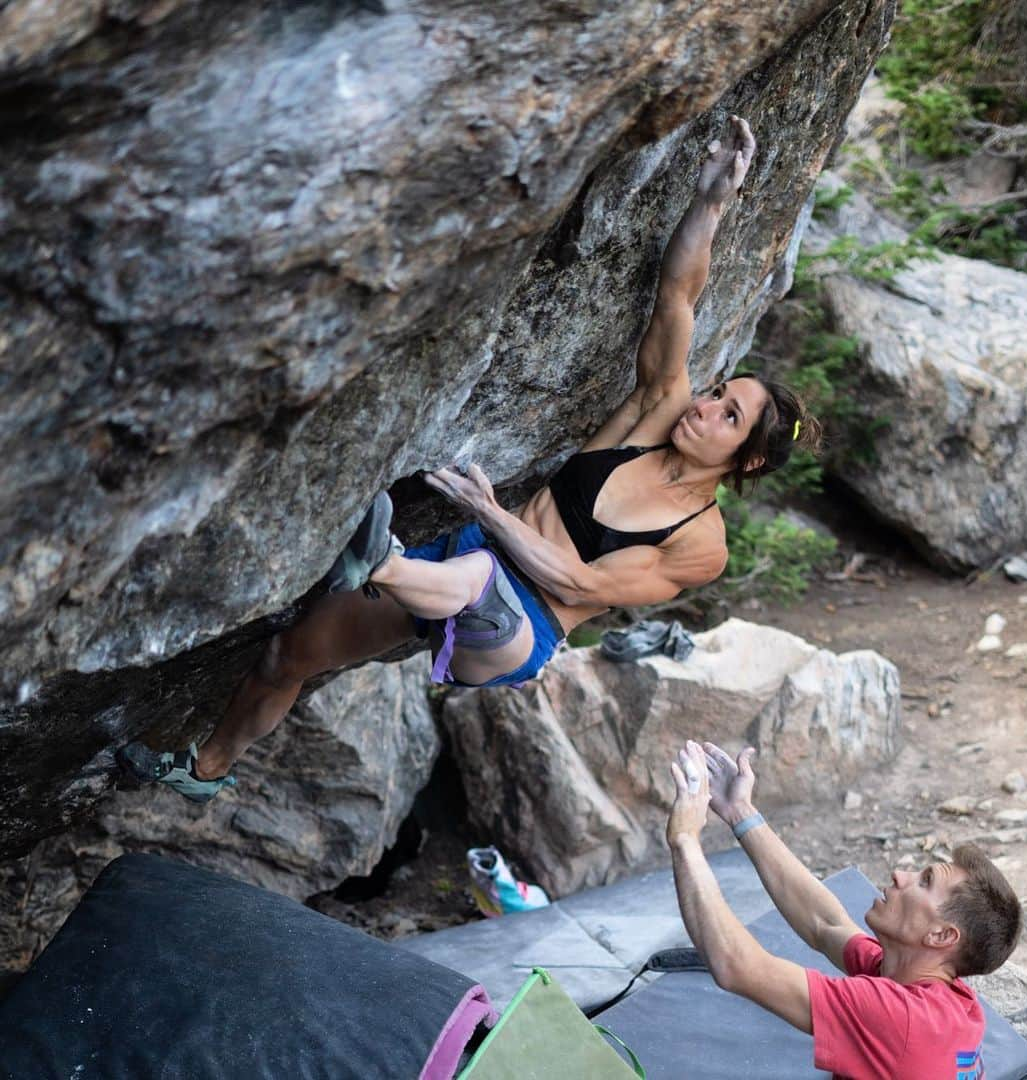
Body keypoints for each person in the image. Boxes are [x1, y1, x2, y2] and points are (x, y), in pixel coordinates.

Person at [120, 116, 821, 801]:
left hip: (519, 631)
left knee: (482, 572)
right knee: (288, 657)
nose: (705, 405)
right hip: (461, 558)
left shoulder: (699, 544)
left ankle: (384, 563)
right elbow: (679, 296)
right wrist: (712, 202)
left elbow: (578, 586)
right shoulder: (657, 410)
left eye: (728, 416)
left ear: (747, 463)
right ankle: (206, 770)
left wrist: (490, 510)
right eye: (720, 392)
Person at [666, 740, 1022, 1080]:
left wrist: (685, 839)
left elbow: (737, 966)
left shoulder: (901, 1021)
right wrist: (740, 811)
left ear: (941, 935)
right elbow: (826, 924)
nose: (901, 875)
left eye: (925, 881)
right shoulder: (937, 992)